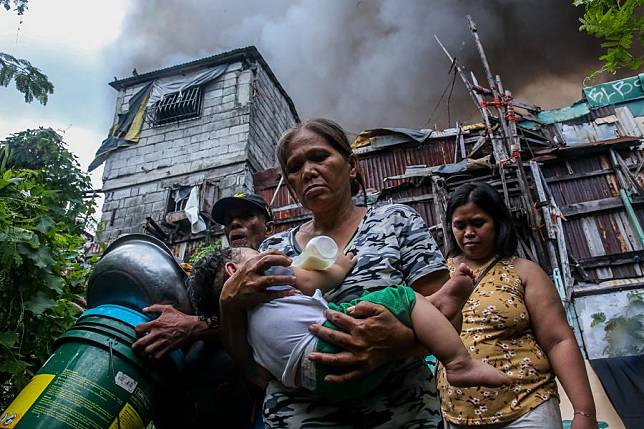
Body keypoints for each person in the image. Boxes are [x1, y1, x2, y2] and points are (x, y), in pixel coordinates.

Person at [219, 118, 474, 428]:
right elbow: (252, 364)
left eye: (319, 157)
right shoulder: (272, 251)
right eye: (295, 167)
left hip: (401, 417)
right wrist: (228, 305)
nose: (308, 171)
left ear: (351, 165)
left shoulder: (395, 222)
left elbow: (449, 314)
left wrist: (397, 345)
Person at [205, 246, 510, 401]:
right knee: (400, 296)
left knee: (361, 308)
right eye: (253, 253)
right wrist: (343, 264)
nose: (263, 253)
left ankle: (431, 306)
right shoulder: (268, 276)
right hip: (327, 344)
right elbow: (320, 278)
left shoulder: (244, 327)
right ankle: (458, 362)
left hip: (323, 386)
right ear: (236, 270)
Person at [436, 182, 596, 429]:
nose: (468, 232)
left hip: (526, 408)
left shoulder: (523, 272)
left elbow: (558, 341)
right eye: (460, 225)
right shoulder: (438, 275)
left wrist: (584, 412)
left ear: (498, 223)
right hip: (458, 416)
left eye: (478, 223)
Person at [132, 192, 276, 428]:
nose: (235, 223)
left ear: (269, 228)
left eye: (246, 216)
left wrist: (196, 325)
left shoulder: (284, 266)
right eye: (229, 220)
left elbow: (269, 321)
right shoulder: (215, 269)